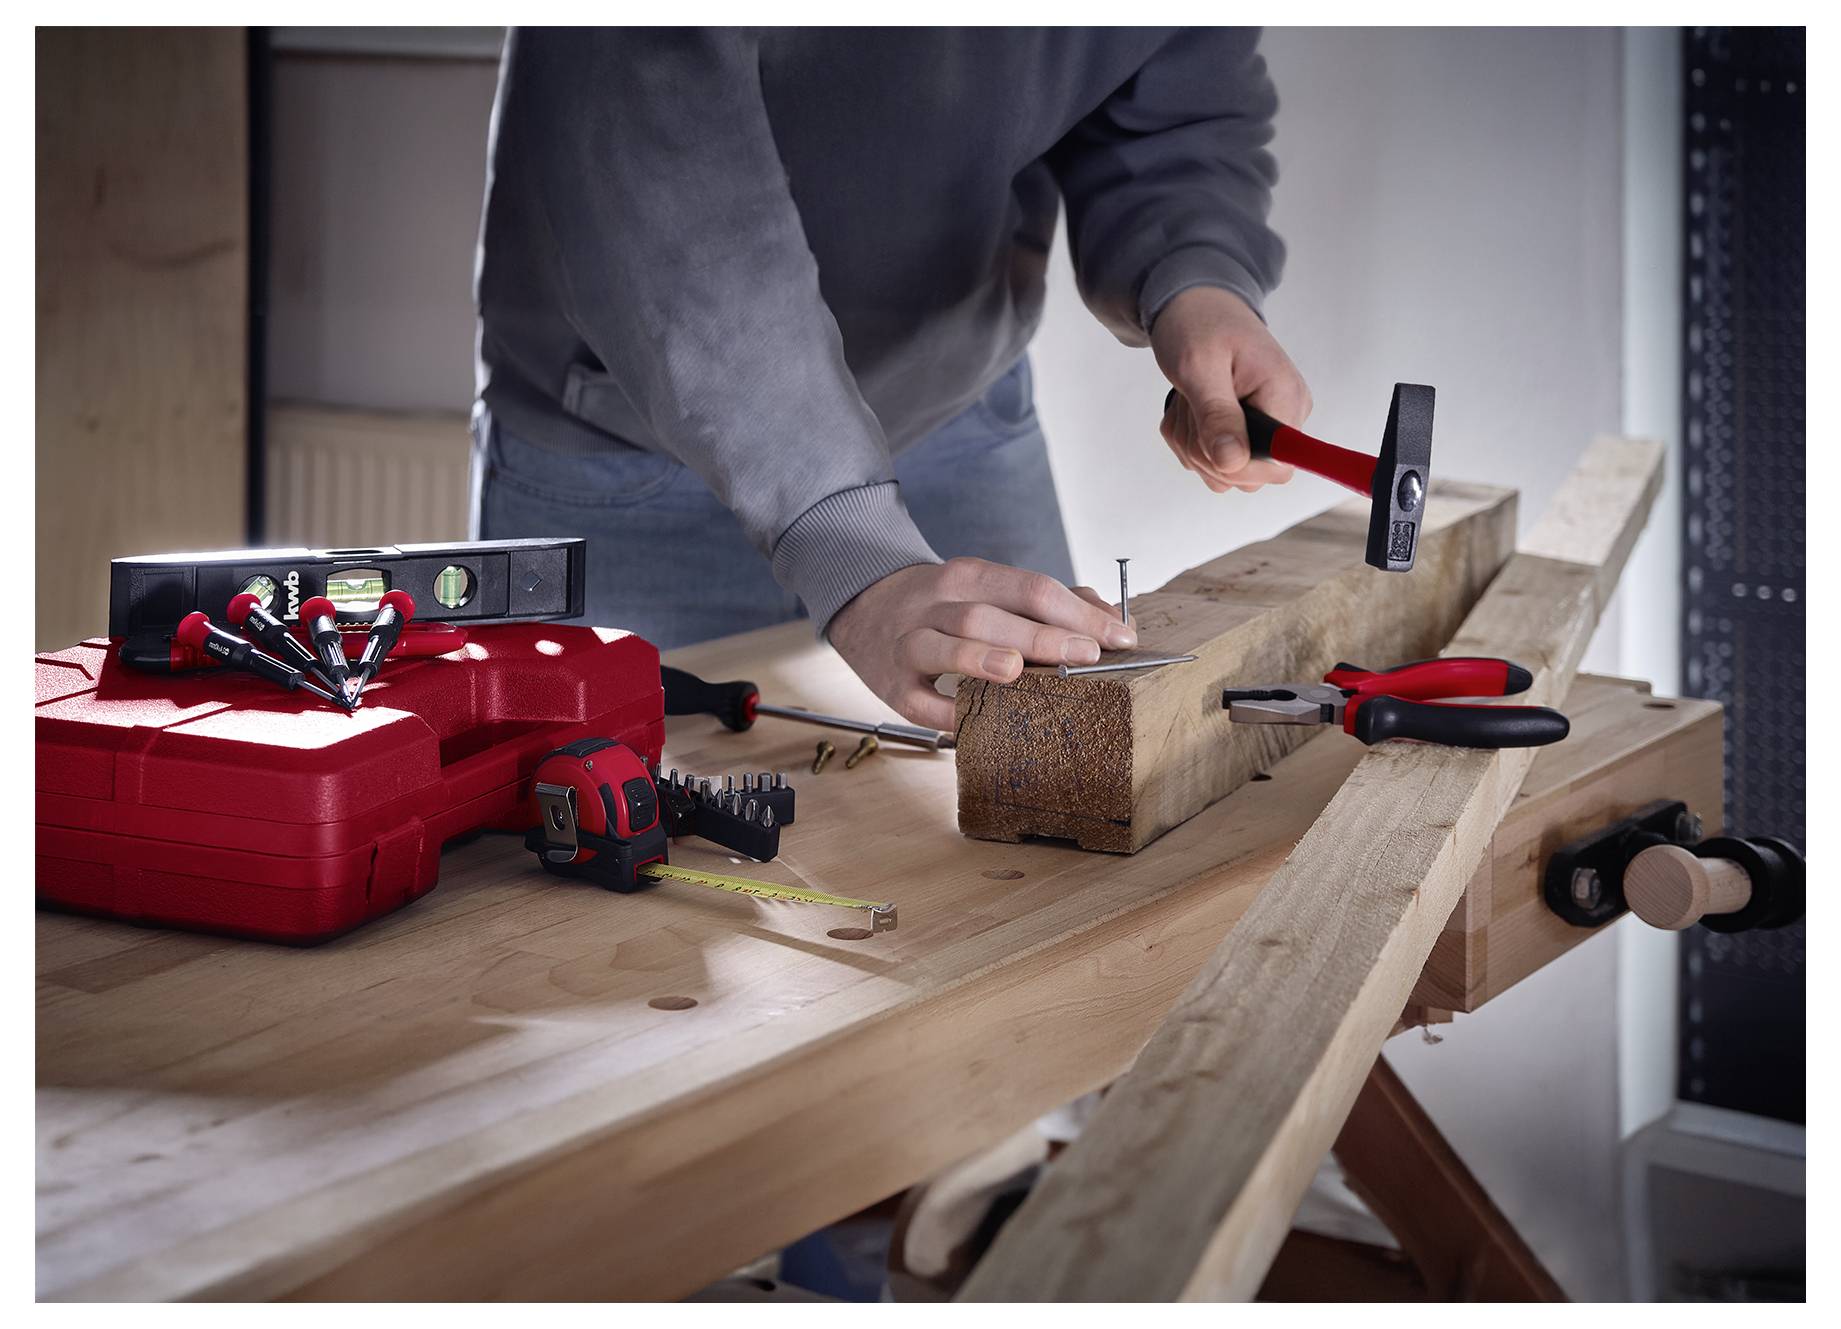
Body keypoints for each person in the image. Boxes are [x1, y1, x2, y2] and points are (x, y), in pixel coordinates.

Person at [471, 28, 1311, 730]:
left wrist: (1195, 274)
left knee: (1049, 789)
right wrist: (850, 544)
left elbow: (1165, 86)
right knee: (584, 855)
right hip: (624, 443)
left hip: (957, 413)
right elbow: (648, 146)